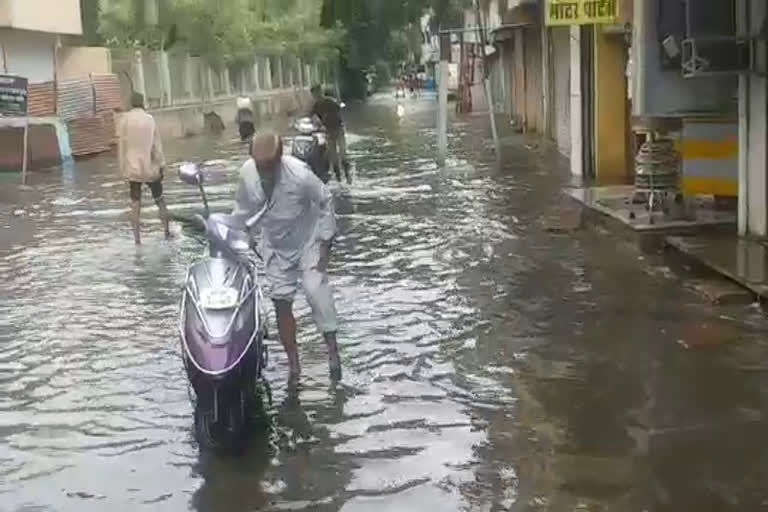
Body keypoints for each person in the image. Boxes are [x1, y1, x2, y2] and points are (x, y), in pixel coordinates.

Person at [230, 131, 342, 382]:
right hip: (275, 245)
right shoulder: (247, 173)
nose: (264, 173)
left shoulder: (300, 175)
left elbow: (325, 200)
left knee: (315, 290)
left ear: (279, 161)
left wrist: (325, 245)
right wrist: (242, 236)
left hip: (308, 240)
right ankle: (294, 364)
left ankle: (333, 352)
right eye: (260, 167)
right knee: (281, 301)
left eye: (269, 168)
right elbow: (242, 208)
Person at [119, 92, 170, 245]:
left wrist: (123, 169)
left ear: (130, 104)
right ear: (142, 103)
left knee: (135, 204)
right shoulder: (150, 119)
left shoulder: (124, 120)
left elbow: (122, 147)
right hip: (150, 167)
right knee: (160, 200)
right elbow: (156, 146)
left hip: (133, 169)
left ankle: (137, 240)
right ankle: (166, 232)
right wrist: (162, 165)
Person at [310, 84, 351, 185]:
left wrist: (326, 118)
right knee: (334, 158)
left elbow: (338, 111)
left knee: (343, 155)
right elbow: (313, 117)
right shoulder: (316, 106)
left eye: (317, 92)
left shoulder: (330, 101)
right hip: (328, 132)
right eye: (314, 94)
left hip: (338, 130)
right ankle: (339, 181)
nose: (316, 96)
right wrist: (317, 123)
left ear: (320, 92)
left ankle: (348, 177)